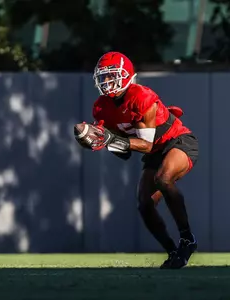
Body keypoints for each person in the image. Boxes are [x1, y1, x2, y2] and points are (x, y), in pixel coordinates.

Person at [85, 51, 199, 269]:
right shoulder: (101, 107)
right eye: (104, 77)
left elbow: (145, 144)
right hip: (155, 151)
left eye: (112, 76)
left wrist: (111, 139)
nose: (107, 82)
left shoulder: (141, 96)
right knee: (144, 204)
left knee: (163, 179)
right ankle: (173, 251)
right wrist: (100, 141)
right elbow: (124, 152)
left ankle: (187, 239)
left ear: (126, 75)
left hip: (177, 140)